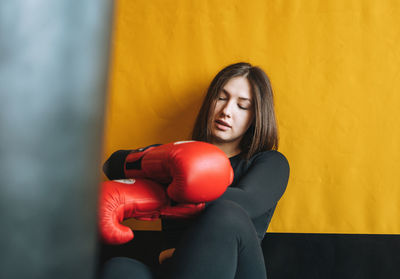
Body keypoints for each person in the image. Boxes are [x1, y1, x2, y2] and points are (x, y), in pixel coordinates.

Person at [100, 62, 290, 279]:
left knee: (226, 213)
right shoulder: (174, 157)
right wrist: (162, 164)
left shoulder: (270, 162)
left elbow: (246, 202)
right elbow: (113, 165)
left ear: (256, 116)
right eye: (221, 98)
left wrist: (162, 197)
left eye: (242, 106)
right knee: (120, 268)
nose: (226, 111)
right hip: (174, 270)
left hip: (236, 271)